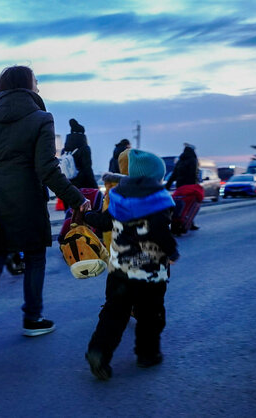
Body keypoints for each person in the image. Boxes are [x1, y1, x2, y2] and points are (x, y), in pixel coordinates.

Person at [0, 65, 89, 361]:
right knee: (35, 257)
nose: (38, 88)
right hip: (28, 202)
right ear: (28, 86)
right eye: (36, 83)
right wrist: (76, 199)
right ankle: (33, 318)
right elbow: (46, 168)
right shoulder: (41, 119)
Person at [83, 149, 179, 381]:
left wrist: (86, 216)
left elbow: (104, 222)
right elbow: (159, 232)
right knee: (150, 316)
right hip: (149, 276)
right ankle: (148, 355)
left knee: (114, 314)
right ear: (154, 177)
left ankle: (99, 352)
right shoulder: (158, 199)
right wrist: (172, 252)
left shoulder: (119, 197)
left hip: (119, 272)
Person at [166, 143, 201, 231]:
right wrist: (196, 186)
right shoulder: (193, 160)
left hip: (180, 187)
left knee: (180, 205)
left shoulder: (180, 161)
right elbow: (193, 173)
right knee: (190, 205)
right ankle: (189, 222)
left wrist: (167, 186)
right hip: (190, 187)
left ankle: (179, 221)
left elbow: (174, 174)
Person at [63, 119, 98, 189]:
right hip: (83, 185)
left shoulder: (65, 150)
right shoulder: (85, 149)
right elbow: (87, 169)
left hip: (67, 184)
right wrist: (94, 186)